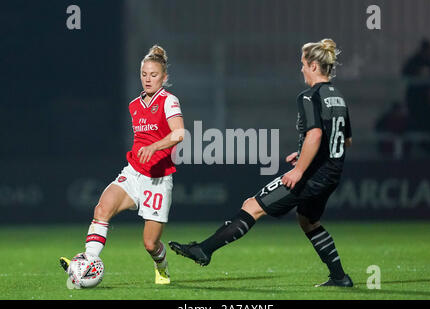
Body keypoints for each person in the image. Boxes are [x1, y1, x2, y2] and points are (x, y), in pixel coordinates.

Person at [169, 39, 353, 287]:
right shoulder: (338, 97)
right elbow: (345, 140)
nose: (300, 70)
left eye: (302, 64)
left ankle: (204, 250)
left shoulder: (309, 96)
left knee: (252, 205)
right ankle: (340, 277)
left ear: (312, 66)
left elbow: (316, 134)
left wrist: (299, 170)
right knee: (308, 221)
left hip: (312, 175)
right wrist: (304, 155)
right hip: (331, 174)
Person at [59, 45, 184, 285]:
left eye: (154, 75)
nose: (148, 79)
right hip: (134, 172)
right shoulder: (134, 105)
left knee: (150, 244)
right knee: (102, 209)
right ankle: (88, 262)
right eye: (144, 74)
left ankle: (162, 267)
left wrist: (154, 147)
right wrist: (143, 151)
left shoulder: (169, 101)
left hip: (158, 180)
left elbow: (179, 134)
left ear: (164, 77)